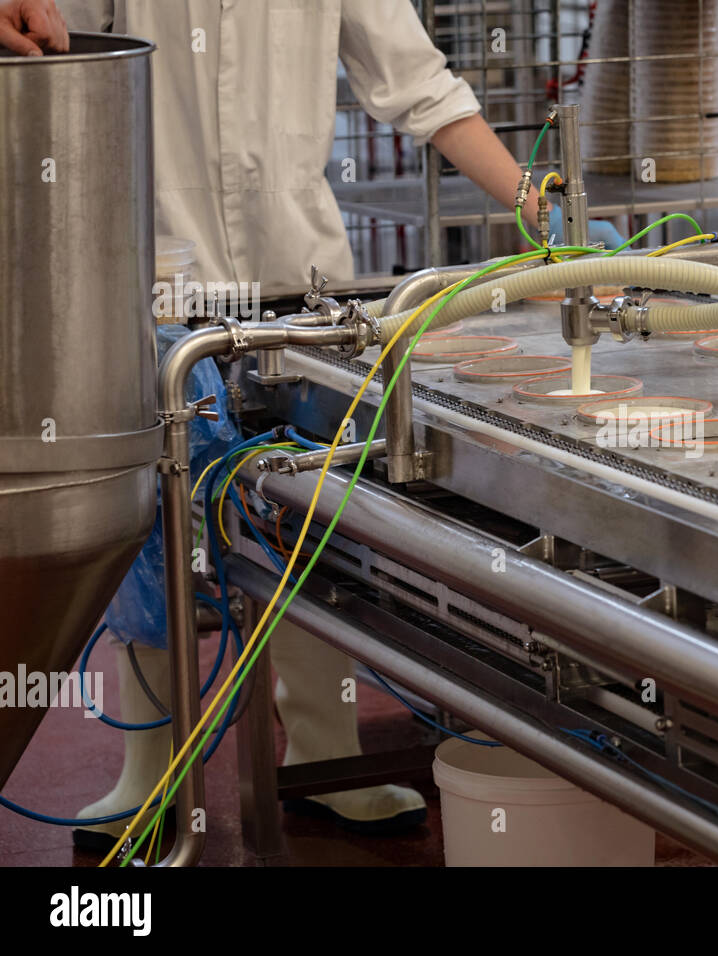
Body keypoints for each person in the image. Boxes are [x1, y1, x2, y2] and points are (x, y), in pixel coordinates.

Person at [4, 0, 620, 846]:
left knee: (307, 512)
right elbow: (62, 42)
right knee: (148, 531)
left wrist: (535, 204)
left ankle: (322, 753)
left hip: (303, 288)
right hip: (152, 275)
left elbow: (419, 87)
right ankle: (145, 766)